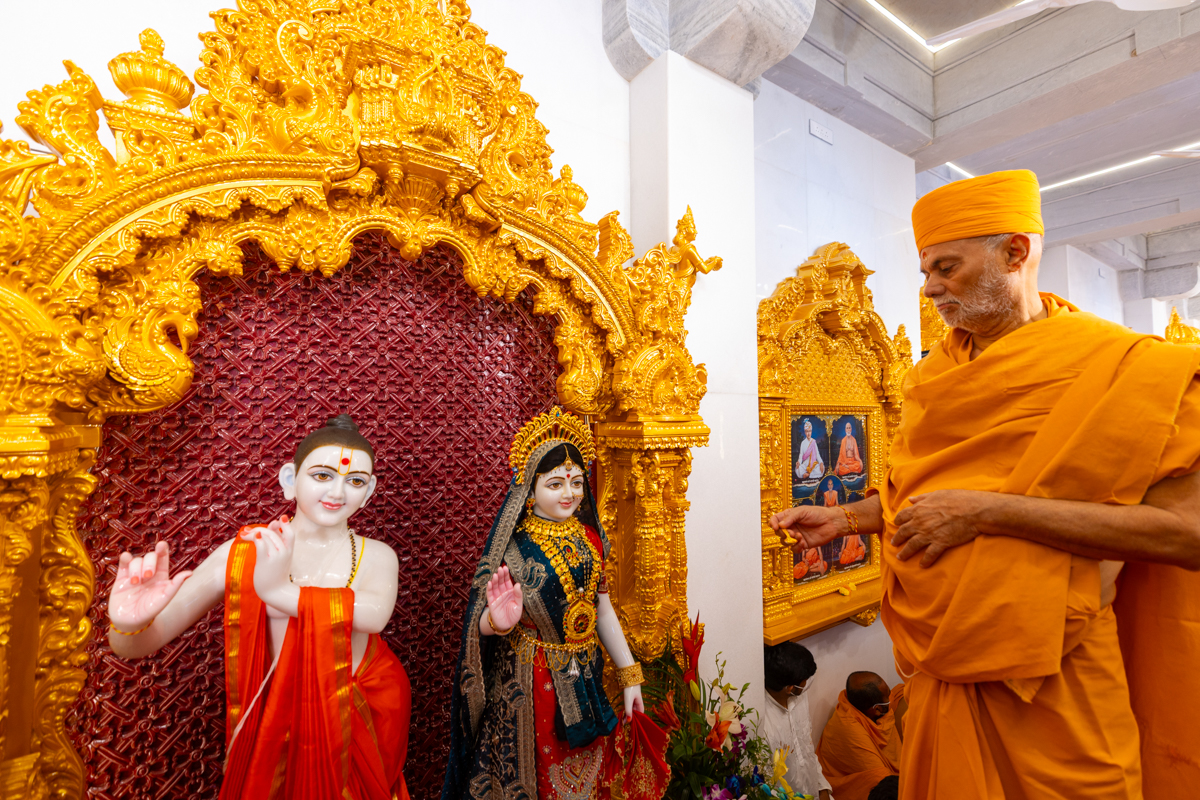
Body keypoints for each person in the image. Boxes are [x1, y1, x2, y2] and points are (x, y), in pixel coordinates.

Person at [769, 169, 1200, 800]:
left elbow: (1187, 533)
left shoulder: (1129, 369)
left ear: (1016, 253)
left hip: (1060, 676)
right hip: (944, 675)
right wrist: (848, 518)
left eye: (947, 266)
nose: (931, 288)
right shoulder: (933, 377)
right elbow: (922, 495)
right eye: (925, 271)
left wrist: (991, 514)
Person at [106, 415, 410, 800]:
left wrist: (276, 590)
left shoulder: (376, 556)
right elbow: (137, 644)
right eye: (322, 475)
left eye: (354, 481)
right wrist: (126, 623)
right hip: (272, 722)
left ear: (368, 492)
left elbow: (373, 614)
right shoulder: (244, 553)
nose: (338, 491)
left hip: (353, 719)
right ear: (289, 479)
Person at [443, 407, 649, 800]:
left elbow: (602, 609)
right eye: (555, 484)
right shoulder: (514, 548)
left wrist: (629, 674)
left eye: (575, 482)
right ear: (529, 489)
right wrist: (498, 622)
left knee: (589, 777)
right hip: (529, 684)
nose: (570, 493)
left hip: (586, 677)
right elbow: (479, 623)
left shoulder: (590, 538)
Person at [760, 642, 832, 800]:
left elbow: (807, 747)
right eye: (805, 680)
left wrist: (822, 787)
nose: (807, 683)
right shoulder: (763, 722)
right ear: (790, 688)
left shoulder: (799, 698)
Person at [816, 672, 901, 800]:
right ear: (876, 709)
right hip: (858, 788)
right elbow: (881, 780)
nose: (891, 697)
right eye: (888, 695)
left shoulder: (862, 706)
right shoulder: (848, 727)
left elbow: (901, 692)